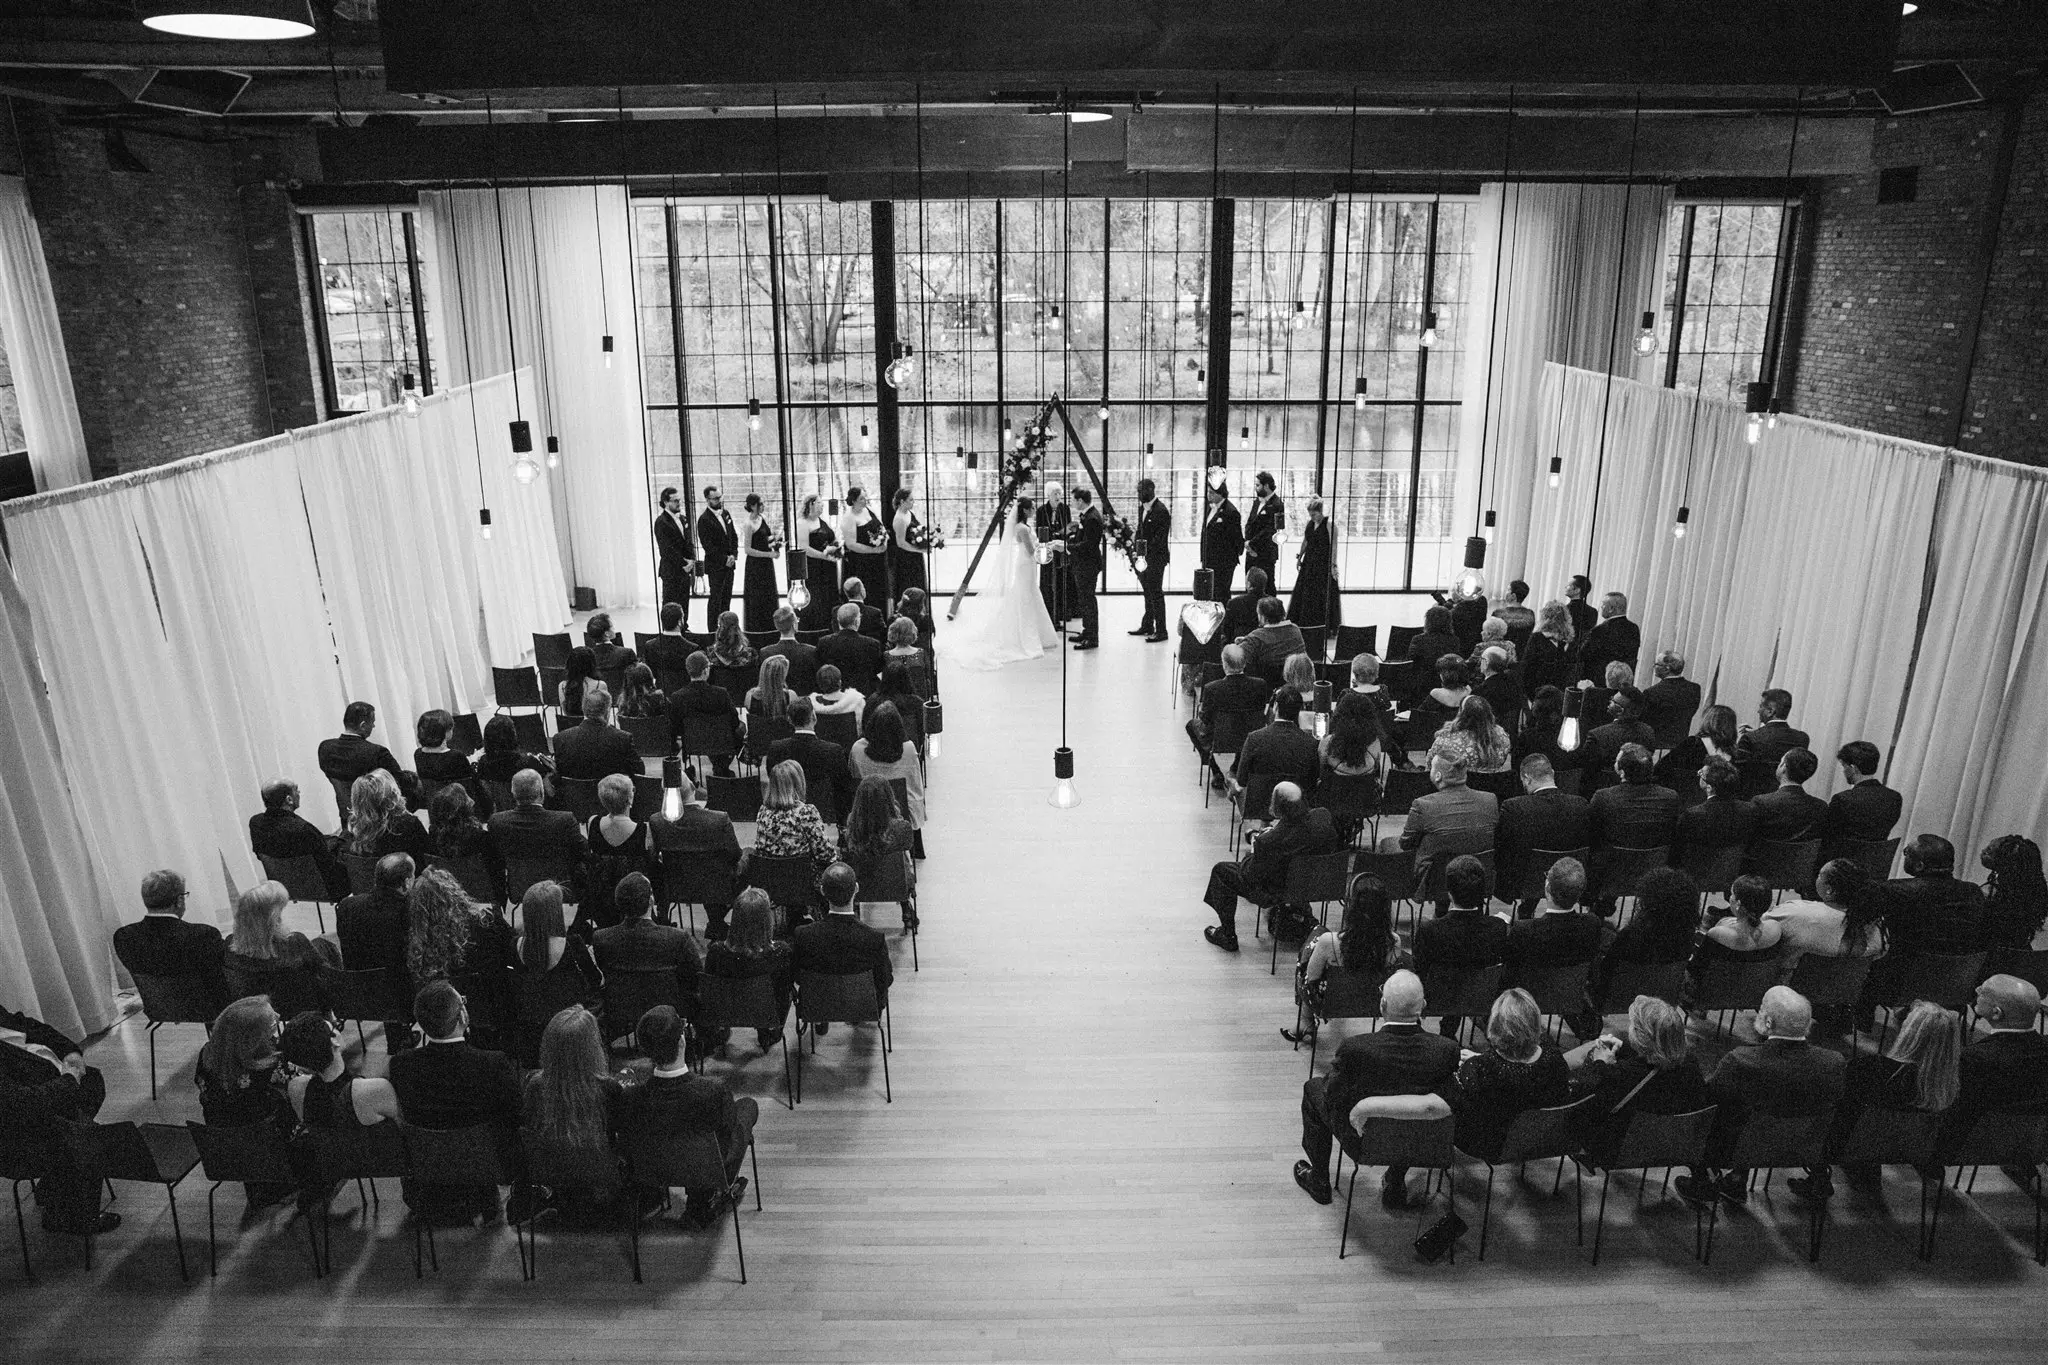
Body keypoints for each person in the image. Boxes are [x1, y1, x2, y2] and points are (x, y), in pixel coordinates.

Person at [1292, 970, 1461, 1209]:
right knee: (1411, 1117)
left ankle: (1319, 1180)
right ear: (1422, 1006)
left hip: (1363, 1141)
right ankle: (1395, 1179)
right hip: (1420, 1142)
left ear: (1382, 1005)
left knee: (1313, 1089)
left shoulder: (1356, 1048)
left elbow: (1333, 1095)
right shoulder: (1446, 1050)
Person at [1676, 986, 1845, 1208]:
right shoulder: (1834, 1063)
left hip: (1739, 1150)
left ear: (1768, 1023)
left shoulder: (1741, 1061)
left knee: (1719, 1115)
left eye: (1762, 1007)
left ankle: (1705, 1181)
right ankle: (1817, 1177)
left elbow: (1707, 1104)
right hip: (1804, 1147)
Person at [1788, 1000, 1959, 1202]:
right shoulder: (1948, 1083)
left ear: (1911, 1033)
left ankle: (1820, 1177)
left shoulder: (1871, 1069)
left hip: (1849, 1148)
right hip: (1913, 1150)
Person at [388, 981, 522, 1224]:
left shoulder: (401, 1065)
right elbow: (515, 1116)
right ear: (462, 1016)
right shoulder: (492, 1064)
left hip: (428, 1166)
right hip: (485, 1166)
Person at [625, 1006, 758, 1227]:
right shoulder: (714, 1091)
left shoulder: (631, 1097)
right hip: (707, 1168)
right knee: (747, 1107)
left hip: (654, 1170)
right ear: (682, 1042)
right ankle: (702, 1199)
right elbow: (726, 1137)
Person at [1565, 995, 1711, 1166]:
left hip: (1616, 1151)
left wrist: (1599, 1063)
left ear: (1641, 1037)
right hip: (1667, 1148)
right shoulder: (1691, 1067)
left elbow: (1581, 1095)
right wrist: (1623, 1052)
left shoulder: (1619, 1075)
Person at [1201, 781, 1342, 952]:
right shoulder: (1323, 817)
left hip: (1278, 891)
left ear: (1277, 807)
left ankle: (1228, 935)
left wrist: (1254, 850)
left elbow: (1250, 876)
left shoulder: (1268, 842)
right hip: (1319, 884)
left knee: (1221, 871)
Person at [522, 1005, 630, 1218]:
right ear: (591, 1047)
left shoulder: (534, 1086)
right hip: (603, 1183)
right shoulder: (609, 1089)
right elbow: (624, 1139)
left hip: (554, 1179)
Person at [191, 996, 294, 1210]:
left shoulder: (206, 1056)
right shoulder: (271, 1066)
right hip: (271, 1147)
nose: (279, 1016)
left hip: (224, 1149)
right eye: (272, 1023)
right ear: (254, 1038)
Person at [1283, 876, 1410, 1044]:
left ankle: (1305, 1022)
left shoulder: (1329, 941)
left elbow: (1310, 980)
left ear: (1351, 906)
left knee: (1314, 940)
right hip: (1373, 1002)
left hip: (1330, 1002)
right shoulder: (1394, 941)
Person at [1448, 988, 1571, 1161]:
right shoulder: (1553, 1060)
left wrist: (1469, 1064)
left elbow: (1458, 1104)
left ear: (1495, 1024)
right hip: (1543, 1143)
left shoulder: (1480, 1070)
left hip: (1489, 1146)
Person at [1941, 975, 2048, 1151]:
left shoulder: (1974, 1059)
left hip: (1969, 1147)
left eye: (1983, 991)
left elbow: (1956, 1116)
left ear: (1996, 1013)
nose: (1976, 990)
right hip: (2022, 1148)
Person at [1414, 855, 1510, 1037]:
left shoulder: (1430, 930)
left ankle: (1448, 1030)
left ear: (1449, 894)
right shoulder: (1498, 927)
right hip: (1481, 998)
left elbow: (1420, 970)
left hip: (1437, 998)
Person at [793, 863, 894, 1035]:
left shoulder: (804, 935)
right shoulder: (873, 939)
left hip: (817, 1006)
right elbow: (885, 979)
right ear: (856, 889)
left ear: (823, 891)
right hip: (863, 1007)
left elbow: (797, 976)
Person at [112, 868, 229, 1009]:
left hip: (159, 1009)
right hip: (207, 1008)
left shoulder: (124, 936)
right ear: (179, 900)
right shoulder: (203, 935)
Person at [648, 767, 743, 940]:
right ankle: (717, 919)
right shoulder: (719, 819)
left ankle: (666, 917)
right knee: (747, 857)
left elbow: (652, 859)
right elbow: (735, 855)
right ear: (693, 787)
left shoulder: (656, 821)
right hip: (716, 886)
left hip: (676, 886)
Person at [1587, 866, 1701, 1010]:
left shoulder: (1630, 935)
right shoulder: (1688, 937)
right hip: (1663, 1000)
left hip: (1616, 999)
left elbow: (1606, 971)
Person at [1587, 745, 1682, 915]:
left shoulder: (1603, 797)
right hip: (1653, 875)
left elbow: (1591, 836)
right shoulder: (1671, 797)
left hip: (1609, 876)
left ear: (1621, 772)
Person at [1495, 755, 1592, 913]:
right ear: (1552, 774)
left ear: (1526, 778)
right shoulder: (1581, 805)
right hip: (1571, 880)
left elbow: (1501, 850)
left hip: (1525, 884)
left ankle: (1527, 908)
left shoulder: (1513, 808)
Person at [703, 889, 795, 1054]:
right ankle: (768, 1031)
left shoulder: (716, 952)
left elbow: (709, 992)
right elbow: (784, 990)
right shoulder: (781, 952)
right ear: (767, 919)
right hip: (768, 1014)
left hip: (726, 1013)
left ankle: (721, 1031)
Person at [406, 865, 518, 1000]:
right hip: (496, 1003)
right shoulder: (486, 922)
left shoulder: (418, 946)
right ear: (454, 892)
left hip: (448, 1014)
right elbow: (514, 950)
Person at [1393, 754, 1499, 889]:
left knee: (1390, 845)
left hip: (1434, 882)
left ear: (1437, 776)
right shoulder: (1490, 800)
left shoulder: (1422, 805)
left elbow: (1405, 844)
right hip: (1478, 878)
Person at [281, 1011, 402, 1128]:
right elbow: (401, 1125)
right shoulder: (374, 1090)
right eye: (334, 1027)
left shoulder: (295, 1088)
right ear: (333, 1041)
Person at [1501, 857, 1605, 993]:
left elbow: (1509, 974)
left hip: (1532, 995)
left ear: (1547, 888)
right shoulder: (1592, 924)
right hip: (1571, 996)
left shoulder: (1523, 930)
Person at [223, 880, 338, 1001]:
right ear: (273, 919)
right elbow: (324, 971)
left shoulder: (230, 943)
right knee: (324, 946)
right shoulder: (296, 942)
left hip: (260, 1007)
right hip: (301, 1003)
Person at [1764, 858, 1890, 959]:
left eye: (1819, 875)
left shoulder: (1795, 911)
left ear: (1829, 890)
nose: (1816, 878)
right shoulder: (1879, 928)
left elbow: (1759, 926)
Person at [1187, 644, 1273, 790]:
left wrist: (1202, 711)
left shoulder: (1212, 689)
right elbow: (1260, 714)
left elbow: (1205, 719)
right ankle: (1235, 766)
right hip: (1250, 738)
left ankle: (1215, 771)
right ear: (1245, 663)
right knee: (1243, 725)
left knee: (1191, 725)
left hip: (1221, 739)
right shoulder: (1260, 685)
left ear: (1224, 664)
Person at [248, 780, 350, 900]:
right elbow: (328, 865)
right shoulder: (304, 830)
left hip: (284, 887)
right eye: (296, 790)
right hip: (326, 888)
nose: (299, 792)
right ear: (289, 800)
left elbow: (262, 855)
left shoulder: (255, 823)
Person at [1883, 834, 1987, 952]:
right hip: (1960, 968)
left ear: (1919, 866)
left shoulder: (1897, 889)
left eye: (1907, 852)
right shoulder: (1974, 891)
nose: (1905, 854)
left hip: (1904, 966)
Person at [1687, 875, 1785, 998]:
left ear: (1738, 903)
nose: (1729, 897)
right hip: (1752, 995)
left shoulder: (1719, 933)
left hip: (1710, 995)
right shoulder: (1775, 929)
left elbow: (1695, 970)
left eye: (1732, 894)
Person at [848, 702, 925, 849]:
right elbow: (916, 785)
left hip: (866, 810)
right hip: (903, 811)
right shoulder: (908, 749)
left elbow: (854, 778)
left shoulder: (857, 749)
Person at [581, 773, 654, 927]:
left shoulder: (592, 822)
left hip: (601, 901)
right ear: (629, 799)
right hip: (635, 900)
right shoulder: (644, 829)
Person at [765, 695, 852, 823]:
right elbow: (843, 789)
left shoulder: (776, 749)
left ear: (789, 720)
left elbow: (773, 779)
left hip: (787, 812)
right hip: (825, 813)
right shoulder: (833, 751)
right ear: (814, 717)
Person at [488, 768, 588, 872]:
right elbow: (582, 853)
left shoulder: (497, 821)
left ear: (513, 793)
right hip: (560, 884)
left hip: (518, 885)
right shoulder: (565, 820)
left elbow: (495, 860)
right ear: (542, 791)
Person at [668, 650, 746, 775]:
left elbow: (676, 727)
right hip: (721, 743)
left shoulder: (677, 696)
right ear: (705, 670)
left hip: (692, 743)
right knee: (740, 727)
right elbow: (734, 722)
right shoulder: (721, 693)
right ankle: (722, 766)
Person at [337, 852, 414, 977]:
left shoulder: (346, 905)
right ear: (406, 882)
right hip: (398, 987)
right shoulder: (409, 912)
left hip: (357, 984)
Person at [1232, 689, 1321, 795]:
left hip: (1259, 805)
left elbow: (1241, 780)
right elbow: (1312, 781)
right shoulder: (1311, 744)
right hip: (1296, 806)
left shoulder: (1254, 739)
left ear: (1275, 706)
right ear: (1299, 710)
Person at [318, 701, 409, 803]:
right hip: (377, 815)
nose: (373, 726)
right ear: (363, 725)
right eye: (372, 722)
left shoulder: (325, 748)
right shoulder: (377, 753)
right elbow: (401, 782)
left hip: (347, 815)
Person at [1675, 755, 1758, 864]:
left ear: (1709, 787)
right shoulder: (1749, 810)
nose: (1698, 775)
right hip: (1734, 872)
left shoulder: (1692, 815)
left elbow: (1678, 852)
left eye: (1701, 774)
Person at [1822, 740, 1902, 852]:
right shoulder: (1895, 798)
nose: (1843, 771)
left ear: (1853, 768)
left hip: (1840, 864)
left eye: (1844, 766)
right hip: (1875, 864)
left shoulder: (1842, 800)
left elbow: (1828, 837)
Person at [755, 760, 836, 871]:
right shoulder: (807, 812)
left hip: (770, 880)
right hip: (804, 881)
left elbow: (761, 849)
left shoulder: (763, 811)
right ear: (798, 783)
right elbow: (825, 855)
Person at [554, 684, 643, 784]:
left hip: (574, 798)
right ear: (607, 711)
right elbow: (639, 772)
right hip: (611, 795)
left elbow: (560, 775)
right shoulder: (623, 738)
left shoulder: (560, 738)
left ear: (584, 709)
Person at [1654, 702, 1740, 802]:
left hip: (1687, 801)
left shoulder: (1692, 744)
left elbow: (1661, 769)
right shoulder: (1736, 754)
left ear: (1708, 721)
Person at [1577, 686, 1655, 791]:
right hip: (1641, 790)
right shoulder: (1648, 732)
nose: (1609, 702)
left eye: (1612, 701)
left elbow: (1586, 770)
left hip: (1603, 790)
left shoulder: (1597, 735)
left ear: (1619, 710)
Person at [413, 709, 490, 815]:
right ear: (445, 733)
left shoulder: (418, 754)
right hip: (460, 808)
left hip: (435, 809)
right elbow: (474, 785)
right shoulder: (456, 756)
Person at [1979, 834, 2048, 950]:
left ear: (2003, 862)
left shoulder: (1987, 895)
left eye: (1989, 850)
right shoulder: (2034, 896)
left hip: (1989, 958)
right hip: (2022, 957)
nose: (1982, 851)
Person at [349, 768, 431, 863]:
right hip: (411, 875)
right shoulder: (409, 824)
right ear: (392, 793)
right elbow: (429, 856)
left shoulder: (353, 830)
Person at [1749, 748, 1829, 844]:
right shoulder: (1821, 807)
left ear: (1783, 767)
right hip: (1805, 859)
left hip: (1761, 858)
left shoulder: (1761, 802)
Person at [1060, 486, 1105, 649]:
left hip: (1088, 564)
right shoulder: (1088, 515)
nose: (1072, 502)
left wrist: (1068, 546)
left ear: (1080, 501)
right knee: (1084, 600)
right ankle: (1087, 631)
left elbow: (1089, 545)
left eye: (1073, 500)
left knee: (1088, 601)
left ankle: (1092, 638)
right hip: (1084, 564)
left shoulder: (1092, 518)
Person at [1428, 695, 1513, 776]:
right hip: (1495, 787)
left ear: (1461, 714)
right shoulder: (1502, 737)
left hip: (1458, 787)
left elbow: (1431, 766)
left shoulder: (1446, 740)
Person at [1131, 476, 1173, 640]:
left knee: (1156, 593)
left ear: (1150, 490)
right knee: (1148, 592)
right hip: (1143, 557)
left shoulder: (1161, 511)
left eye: (1141, 491)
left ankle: (1162, 630)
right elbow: (1140, 531)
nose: (1138, 494)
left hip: (1156, 559)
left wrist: (1143, 552)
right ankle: (1148, 625)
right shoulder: (1143, 508)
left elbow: (1159, 539)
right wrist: (1135, 550)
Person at [817, 602, 887, 695]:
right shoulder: (872, 644)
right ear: (857, 621)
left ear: (838, 620)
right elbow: (878, 672)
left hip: (833, 697)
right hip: (863, 697)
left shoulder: (824, 643)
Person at [796, 494, 842, 633]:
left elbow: (832, 539)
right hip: (814, 568)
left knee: (830, 597)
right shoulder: (802, 523)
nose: (822, 505)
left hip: (828, 567)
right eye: (819, 503)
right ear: (810, 504)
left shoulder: (823, 521)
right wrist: (824, 556)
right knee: (817, 599)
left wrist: (834, 549)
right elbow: (804, 548)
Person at [1733, 688, 1811, 769]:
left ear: (1770, 711)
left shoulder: (1750, 739)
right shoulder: (1802, 739)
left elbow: (1737, 772)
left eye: (1761, 707)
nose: (1758, 711)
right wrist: (1756, 733)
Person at [840, 488, 890, 611]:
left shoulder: (868, 510)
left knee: (878, 591)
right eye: (861, 498)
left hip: (876, 561)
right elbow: (851, 544)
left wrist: (884, 540)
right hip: (860, 563)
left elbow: (882, 529)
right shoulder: (849, 517)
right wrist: (873, 550)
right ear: (853, 501)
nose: (865, 500)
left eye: (864, 497)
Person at [1235, 596, 1306, 683]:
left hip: (1265, 687)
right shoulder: (1295, 630)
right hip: (1294, 683)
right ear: (1283, 613)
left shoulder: (1255, 638)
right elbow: (1278, 639)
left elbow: (1236, 661)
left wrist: (1244, 643)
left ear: (1262, 617)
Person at [653, 485, 700, 616]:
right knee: (671, 604)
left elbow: (689, 542)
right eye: (675, 501)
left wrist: (691, 560)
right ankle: (670, 631)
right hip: (672, 570)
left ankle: (684, 626)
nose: (679, 503)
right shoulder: (661, 522)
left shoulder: (682, 518)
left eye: (679, 500)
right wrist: (684, 563)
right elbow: (666, 549)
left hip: (686, 569)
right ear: (666, 503)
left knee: (684, 602)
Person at [1576, 591, 1640, 686]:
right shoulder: (1634, 628)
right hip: (1624, 683)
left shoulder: (1599, 631)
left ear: (1611, 609)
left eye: (1603, 605)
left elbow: (1582, 654)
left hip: (1600, 683)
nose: (1601, 608)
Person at [696, 485, 739, 624]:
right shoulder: (704, 519)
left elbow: (733, 536)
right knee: (716, 599)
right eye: (715, 498)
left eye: (720, 497)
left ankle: (726, 627)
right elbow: (708, 546)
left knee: (727, 598)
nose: (719, 500)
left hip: (729, 564)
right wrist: (724, 559)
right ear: (707, 500)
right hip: (716, 566)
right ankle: (713, 629)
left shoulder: (725, 513)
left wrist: (733, 555)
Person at [477, 712, 554, 789]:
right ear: (513, 737)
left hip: (497, 801)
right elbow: (549, 791)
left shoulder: (483, 763)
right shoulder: (529, 763)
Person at [1199, 477, 1245, 602]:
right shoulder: (1210, 508)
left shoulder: (1231, 512)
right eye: (1208, 492)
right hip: (1209, 559)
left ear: (1221, 493)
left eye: (1212, 493)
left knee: (1222, 593)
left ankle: (1224, 619)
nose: (1209, 495)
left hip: (1224, 562)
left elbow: (1237, 538)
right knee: (1210, 592)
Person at [739, 492, 780, 633]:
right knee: (757, 599)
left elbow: (766, 538)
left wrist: (776, 544)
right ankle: (757, 629)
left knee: (769, 596)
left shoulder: (762, 518)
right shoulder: (748, 524)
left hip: (766, 564)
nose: (763, 506)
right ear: (752, 506)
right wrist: (768, 554)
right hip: (755, 566)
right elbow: (748, 549)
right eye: (760, 504)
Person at [1033, 484, 1074, 624]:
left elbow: (1069, 528)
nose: (1058, 496)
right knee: (1047, 581)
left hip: (1061, 550)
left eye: (1059, 493)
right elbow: (1039, 529)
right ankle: (1048, 612)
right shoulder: (1041, 510)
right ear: (1048, 495)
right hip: (1048, 550)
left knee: (1063, 580)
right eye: (1055, 493)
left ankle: (1063, 612)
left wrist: (1062, 536)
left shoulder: (1065, 509)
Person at [1641, 652, 1702, 746]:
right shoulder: (1695, 689)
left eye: (1657, 664)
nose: (1654, 666)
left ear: (1667, 668)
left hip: (1656, 745)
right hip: (1681, 745)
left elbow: (1645, 722)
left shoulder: (1651, 693)